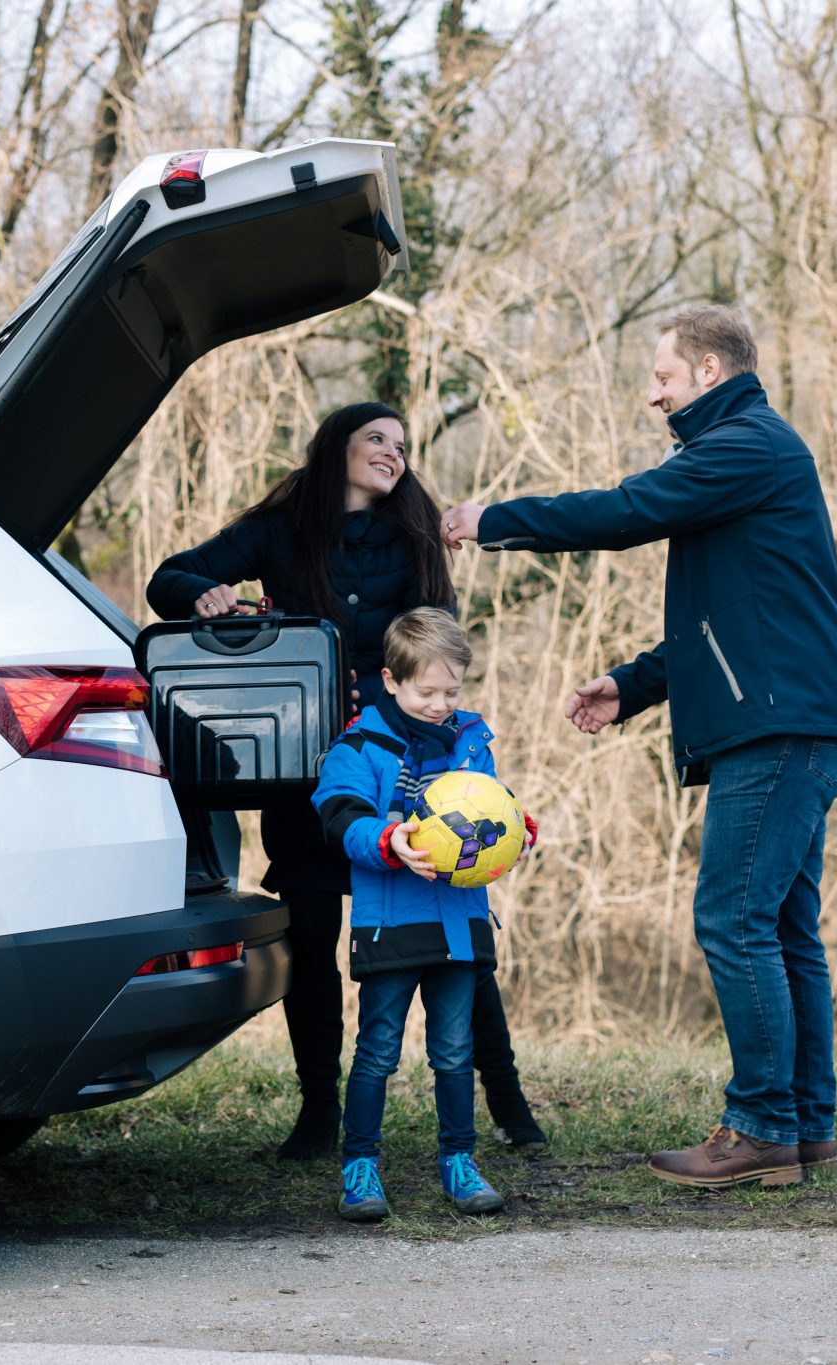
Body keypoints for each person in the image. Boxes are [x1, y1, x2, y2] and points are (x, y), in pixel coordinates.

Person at [441, 305, 837, 1189]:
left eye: (663, 376)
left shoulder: (745, 445)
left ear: (709, 372)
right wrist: (632, 685)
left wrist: (494, 521)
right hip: (798, 721)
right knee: (783, 927)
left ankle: (761, 1128)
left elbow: (626, 509)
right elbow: (737, 623)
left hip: (780, 732)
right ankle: (804, 1124)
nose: (652, 394)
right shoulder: (750, 454)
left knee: (734, 920)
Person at [147, 404, 546, 1161]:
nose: (393, 453)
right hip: (307, 767)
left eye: (401, 445)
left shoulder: (416, 532)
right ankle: (318, 1112)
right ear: (338, 447)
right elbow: (167, 578)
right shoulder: (280, 528)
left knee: (454, 932)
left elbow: (439, 648)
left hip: (410, 766)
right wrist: (204, 593)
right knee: (310, 933)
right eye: (377, 439)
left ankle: (508, 1100)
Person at [309, 608, 536, 1220]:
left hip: (459, 924)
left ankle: (459, 1161)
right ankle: (360, 1167)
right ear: (391, 680)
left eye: (452, 692)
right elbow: (340, 816)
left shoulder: (471, 742)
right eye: (426, 692)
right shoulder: (360, 746)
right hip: (390, 924)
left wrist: (516, 831)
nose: (441, 705)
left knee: (455, 1052)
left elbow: (494, 808)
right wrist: (389, 842)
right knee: (378, 1050)